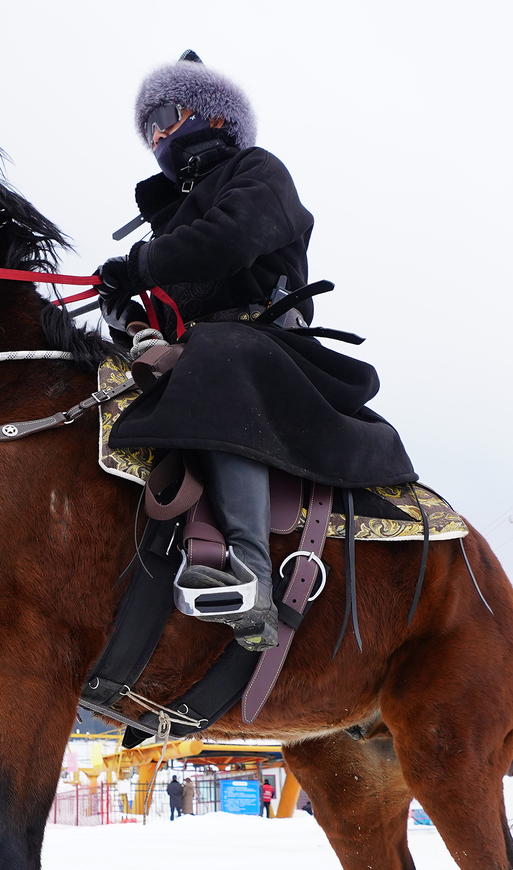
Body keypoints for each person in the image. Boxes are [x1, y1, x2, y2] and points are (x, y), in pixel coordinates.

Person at [99, 52, 418, 652]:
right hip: (197, 351)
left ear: (216, 116)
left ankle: (249, 567)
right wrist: (131, 316)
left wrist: (139, 263)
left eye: (168, 114)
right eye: (150, 129)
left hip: (267, 346)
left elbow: (232, 238)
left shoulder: (258, 171)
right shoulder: (167, 218)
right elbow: (171, 294)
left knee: (218, 353)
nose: (159, 134)